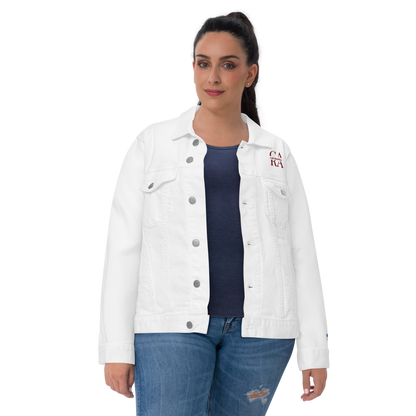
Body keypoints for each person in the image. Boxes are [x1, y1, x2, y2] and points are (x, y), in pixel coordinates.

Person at [96, 6, 332, 414]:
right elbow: (122, 249)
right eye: (203, 64)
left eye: (228, 65)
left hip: (261, 336)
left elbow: (303, 253)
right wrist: (114, 347)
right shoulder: (151, 143)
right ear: (191, 68)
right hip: (169, 328)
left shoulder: (277, 151)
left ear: (250, 74)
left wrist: (316, 351)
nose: (213, 78)